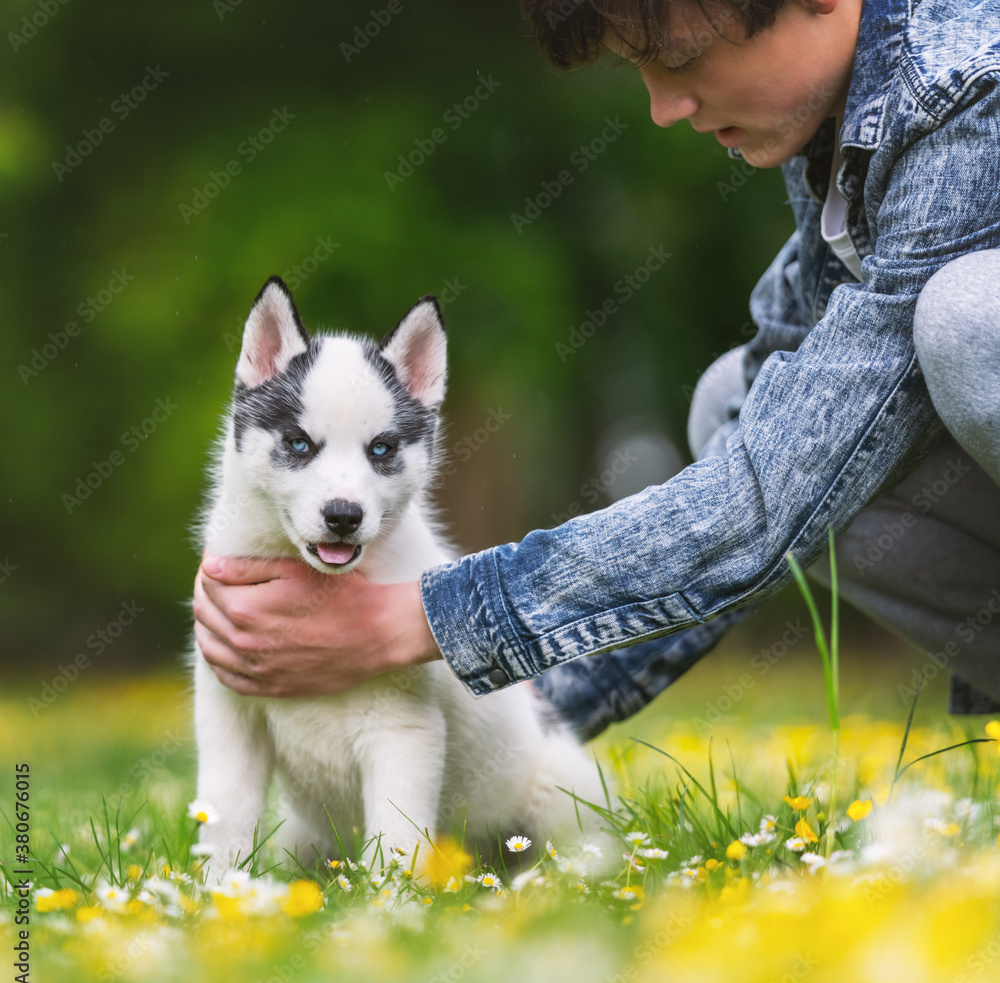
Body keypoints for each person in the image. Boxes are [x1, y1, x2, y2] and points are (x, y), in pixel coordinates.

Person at [193, 0, 1000, 740]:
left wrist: (412, 624)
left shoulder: (966, 98)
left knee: (970, 321)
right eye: (639, 72)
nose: (662, 108)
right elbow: (785, 464)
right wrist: (516, 743)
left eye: (680, 61)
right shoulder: (846, 121)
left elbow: (761, 505)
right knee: (735, 406)